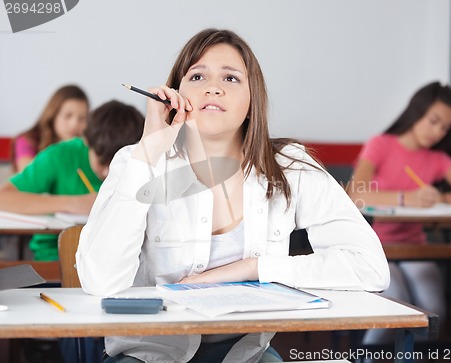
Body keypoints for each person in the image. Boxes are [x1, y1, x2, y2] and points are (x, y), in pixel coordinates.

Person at [76, 28, 390, 363]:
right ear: (174, 95)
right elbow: (100, 280)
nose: (213, 87)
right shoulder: (136, 161)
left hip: (246, 354)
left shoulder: (288, 165)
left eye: (231, 78)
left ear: (253, 99)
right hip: (151, 353)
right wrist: (149, 149)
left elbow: (370, 267)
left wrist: (253, 268)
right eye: (197, 76)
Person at [348, 81, 451, 343]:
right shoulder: (380, 145)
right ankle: (366, 358)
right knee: (394, 308)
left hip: (415, 248)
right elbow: (355, 193)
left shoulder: (437, 159)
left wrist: (439, 196)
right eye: (433, 120)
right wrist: (407, 198)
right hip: (376, 249)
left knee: (434, 311)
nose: (437, 132)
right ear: (417, 112)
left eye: (445, 127)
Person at [0, 100, 145, 261]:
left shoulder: (142, 162)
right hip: (56, 261)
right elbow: (3, 198)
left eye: (116, 164)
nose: (107, 172)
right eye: (101, 162)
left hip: (118, 262)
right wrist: (73, 204)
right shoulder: (59, 155)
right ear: (87, 141)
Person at [11, 84, 89, 173]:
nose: (74, 125)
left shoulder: (86, 147)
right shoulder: (27, 140)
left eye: (82, 118)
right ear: (53, 115)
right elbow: (28, 177)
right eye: (68, 116)